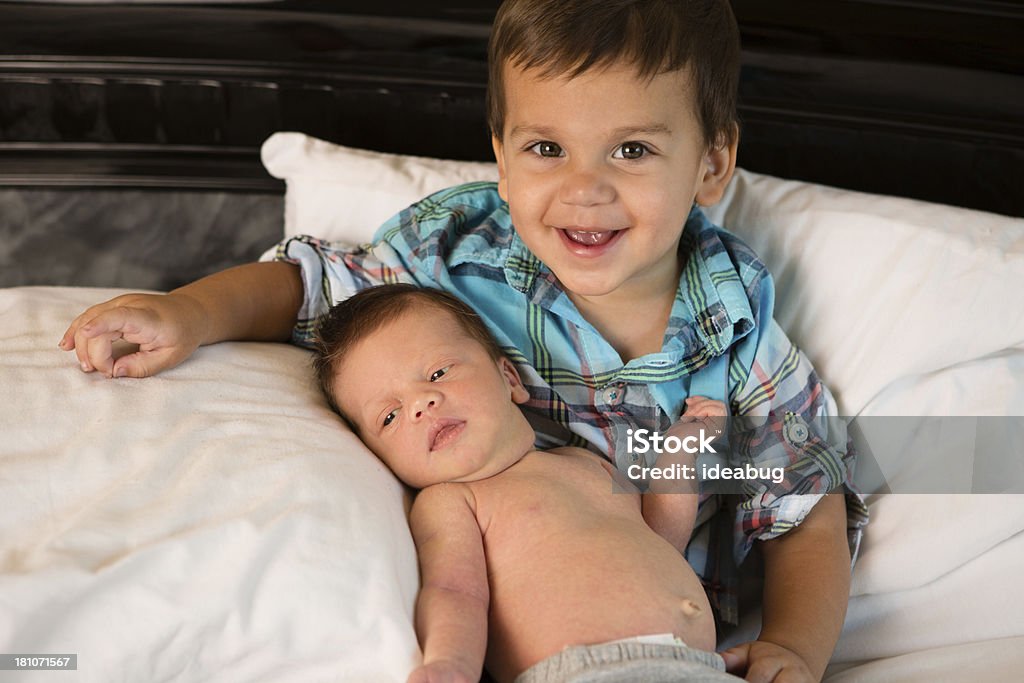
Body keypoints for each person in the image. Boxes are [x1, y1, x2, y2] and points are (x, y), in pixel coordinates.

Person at [60, 1, 867, 680]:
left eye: (633, 148)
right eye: (546, 148)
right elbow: (315, 286)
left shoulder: (735, 318)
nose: (584, 188)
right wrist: (193, 315)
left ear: (712, 163)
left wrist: (794, 647)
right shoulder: (460, 259)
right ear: (502, 158)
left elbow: (803, 500)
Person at [316, 283, 736, 683]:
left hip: (701, 666)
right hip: (587, 670)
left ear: (510, 379)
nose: (421, 405)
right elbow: (455, 591)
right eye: (389, 416)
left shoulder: (582, 461)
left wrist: (681, 446)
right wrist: (450, 663)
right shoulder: (453, 501)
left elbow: (662, 540)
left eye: (438, 372)